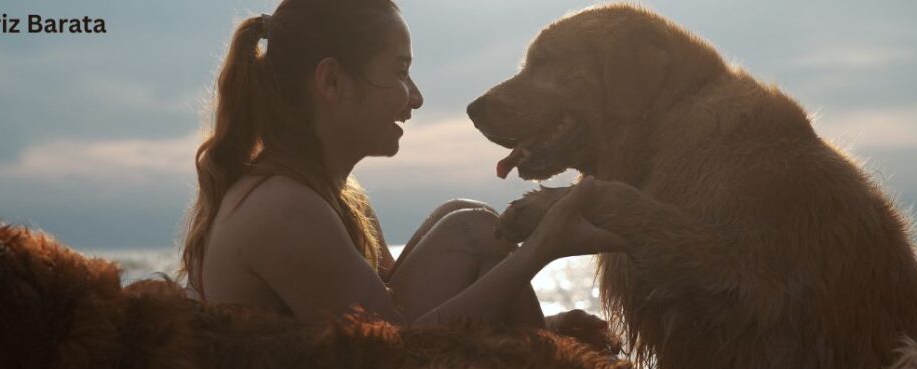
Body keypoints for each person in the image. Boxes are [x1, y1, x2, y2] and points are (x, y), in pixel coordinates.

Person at [179, 0, 628, 326]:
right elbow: (390, 354)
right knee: (468, 229)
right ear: (332, 81)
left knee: (458, 215)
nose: (415, 97)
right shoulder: (282, 208)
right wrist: (539, 250)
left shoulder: (334, 200)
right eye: (399, 72)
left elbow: (415, 317)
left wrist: (549, 327)